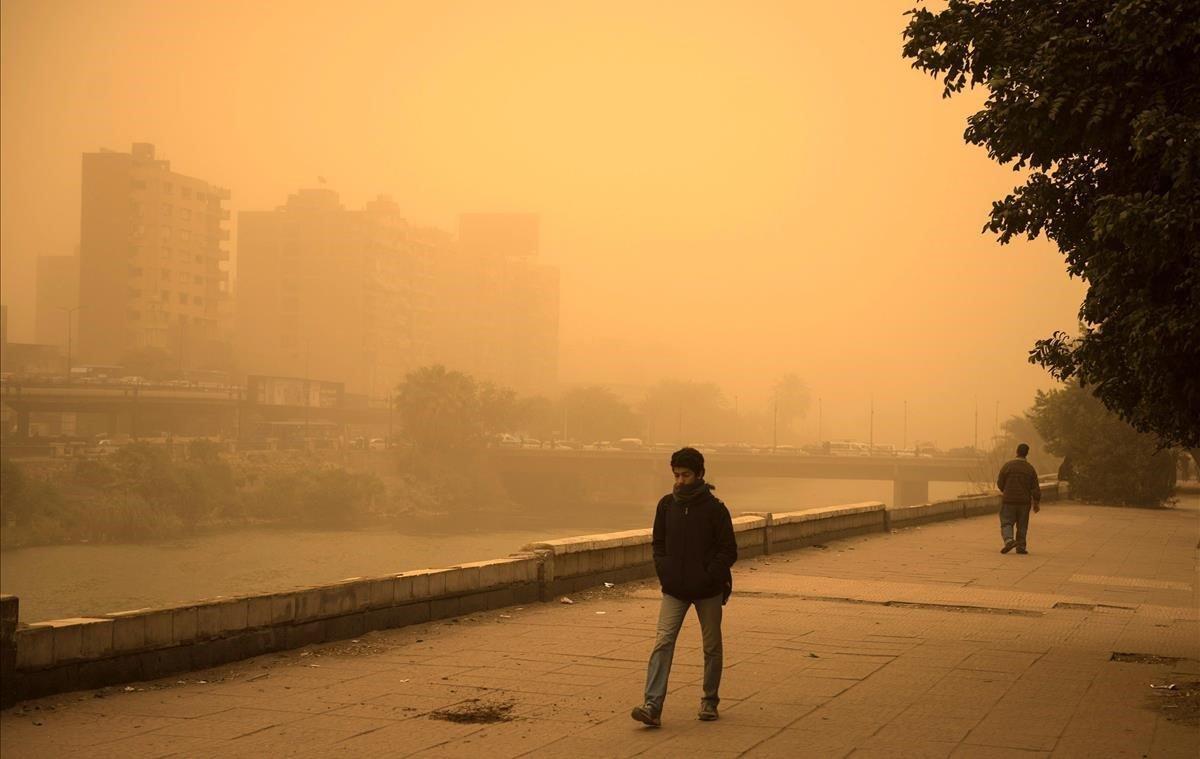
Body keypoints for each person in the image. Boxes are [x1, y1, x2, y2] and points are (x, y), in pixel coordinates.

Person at [631, 447, 738, 727]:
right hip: (674, 589)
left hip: (708, 590)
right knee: (663, 643)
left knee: (711, 646)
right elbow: (658, 544)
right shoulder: (666, 505)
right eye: (676, 475)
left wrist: (709, 575)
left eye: (686, 475)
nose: (679, 481)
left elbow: (729, 551)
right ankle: (652, 705)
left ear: (700, 474)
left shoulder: (716, 509)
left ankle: (709, 701)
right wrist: (664, 571)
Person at [996, 443, 1042, 555]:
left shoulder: (1008, 466)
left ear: (1016, 451)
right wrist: (1036, 502)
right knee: (1022, 524)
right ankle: (1021, 546)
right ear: (1027, 454)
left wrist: (1005, 491)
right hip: (1024, 502)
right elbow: (1035, 487)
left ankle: (1009, 541)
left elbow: (1000, 483)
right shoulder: (1030, 469)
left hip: (1008, 501)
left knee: (1006, 522)